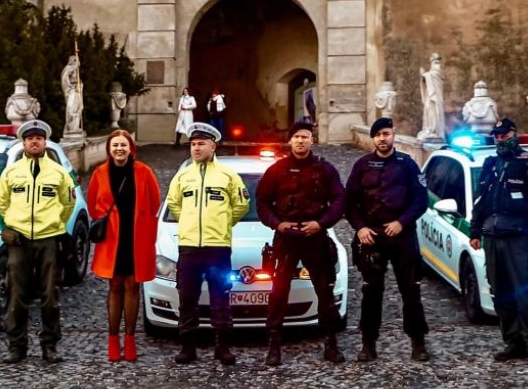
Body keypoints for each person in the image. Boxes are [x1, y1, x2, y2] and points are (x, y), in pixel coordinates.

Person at [256, 121, 346, 366]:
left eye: (305, 137)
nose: (301, 141)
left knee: (325, 292)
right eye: (296, 137)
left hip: (314, 236)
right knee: (278, 294)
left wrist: (322, 223)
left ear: (311, 141)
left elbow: (339, 199)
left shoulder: (325, 169)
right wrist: (277, 224)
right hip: (286, 238)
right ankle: (274, 347)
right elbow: (262, 201)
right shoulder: (277, 170)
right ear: (290, 141)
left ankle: (331, 344)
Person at [469, 117, 528, 368]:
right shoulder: (491, 164)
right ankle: (513, 342)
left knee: (527, 293)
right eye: (497, 136)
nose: (500, 140)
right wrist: (475, 232)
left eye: (505, 136)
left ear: (514, 135)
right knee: (501, 294)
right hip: (493, 238)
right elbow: (480, 201)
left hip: (520, 238)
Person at [345, 117, 431, 362]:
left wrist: (401, 222)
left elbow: (420, 200)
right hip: (372, 237)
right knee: (371, 293)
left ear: (393, 135)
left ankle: (418, 342)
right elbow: (349, 203)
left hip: (402, 236)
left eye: (386, 133)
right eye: (378, 135)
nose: (383, 139)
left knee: (411, 290)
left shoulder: (407, 164)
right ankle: (368, 344)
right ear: (373, 138)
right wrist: (360, 228)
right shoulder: (362, 165)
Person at [166, 122, 249, 365]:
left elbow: (241, 205)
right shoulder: (182, 176)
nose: (196, 148)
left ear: (213, 146)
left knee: (220, 299)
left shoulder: (228, 176)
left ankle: (222, 347)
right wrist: (190, 223)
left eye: (201, 144)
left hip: (217, 249)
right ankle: (188, 347)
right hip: (189, 248)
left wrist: (223, 223)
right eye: (193, 144)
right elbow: (174, 204)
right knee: (187, 299)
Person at [0, 119, 76, 364]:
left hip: (48, 240)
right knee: (17, 294)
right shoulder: (11, 172)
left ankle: (49, 345)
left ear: (45, 142)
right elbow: (2, 203)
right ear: (23, 142)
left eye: (39, 138)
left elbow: (68, 204)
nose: (34, 142)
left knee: (49, 296)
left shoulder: (59, 173)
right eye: (30, 138)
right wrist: (10, 225)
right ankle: (16, 346)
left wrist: (54, 225)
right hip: (19, 241)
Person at [87, 130, 161, 362]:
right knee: (115, 285)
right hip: (112, 238)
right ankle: (112, 339)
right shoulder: (99, 173)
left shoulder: (144, 171)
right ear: (109, 149)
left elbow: (155, 201)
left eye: (124, 145)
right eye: (115, 145)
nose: (119, 149)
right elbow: (92, 204)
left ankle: (129, 339)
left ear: (131, 149)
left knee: (132, 285)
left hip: (136, 236)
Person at [418, 53, 446, 141]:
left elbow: (435, 74)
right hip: (430, 96)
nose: (437, 63)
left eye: (437, 61)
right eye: (434, 61)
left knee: (434, 112)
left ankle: (434, 130)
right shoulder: (432, 71)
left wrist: (423, 74)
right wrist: (424, 76)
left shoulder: (437, 69)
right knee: (428, 112)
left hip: (435, 96)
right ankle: (429, 129)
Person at [61, 55, 83, 136]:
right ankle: (71, 127)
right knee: (71, 109)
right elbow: (64, 79)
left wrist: (79, 84)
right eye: (75, 60)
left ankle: (75, 127)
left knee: (78, 108)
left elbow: (79, 81)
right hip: (71, 91)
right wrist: (75, 67)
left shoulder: (76, 70)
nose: (76, 62)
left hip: (77, 91)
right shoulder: (68, 68)